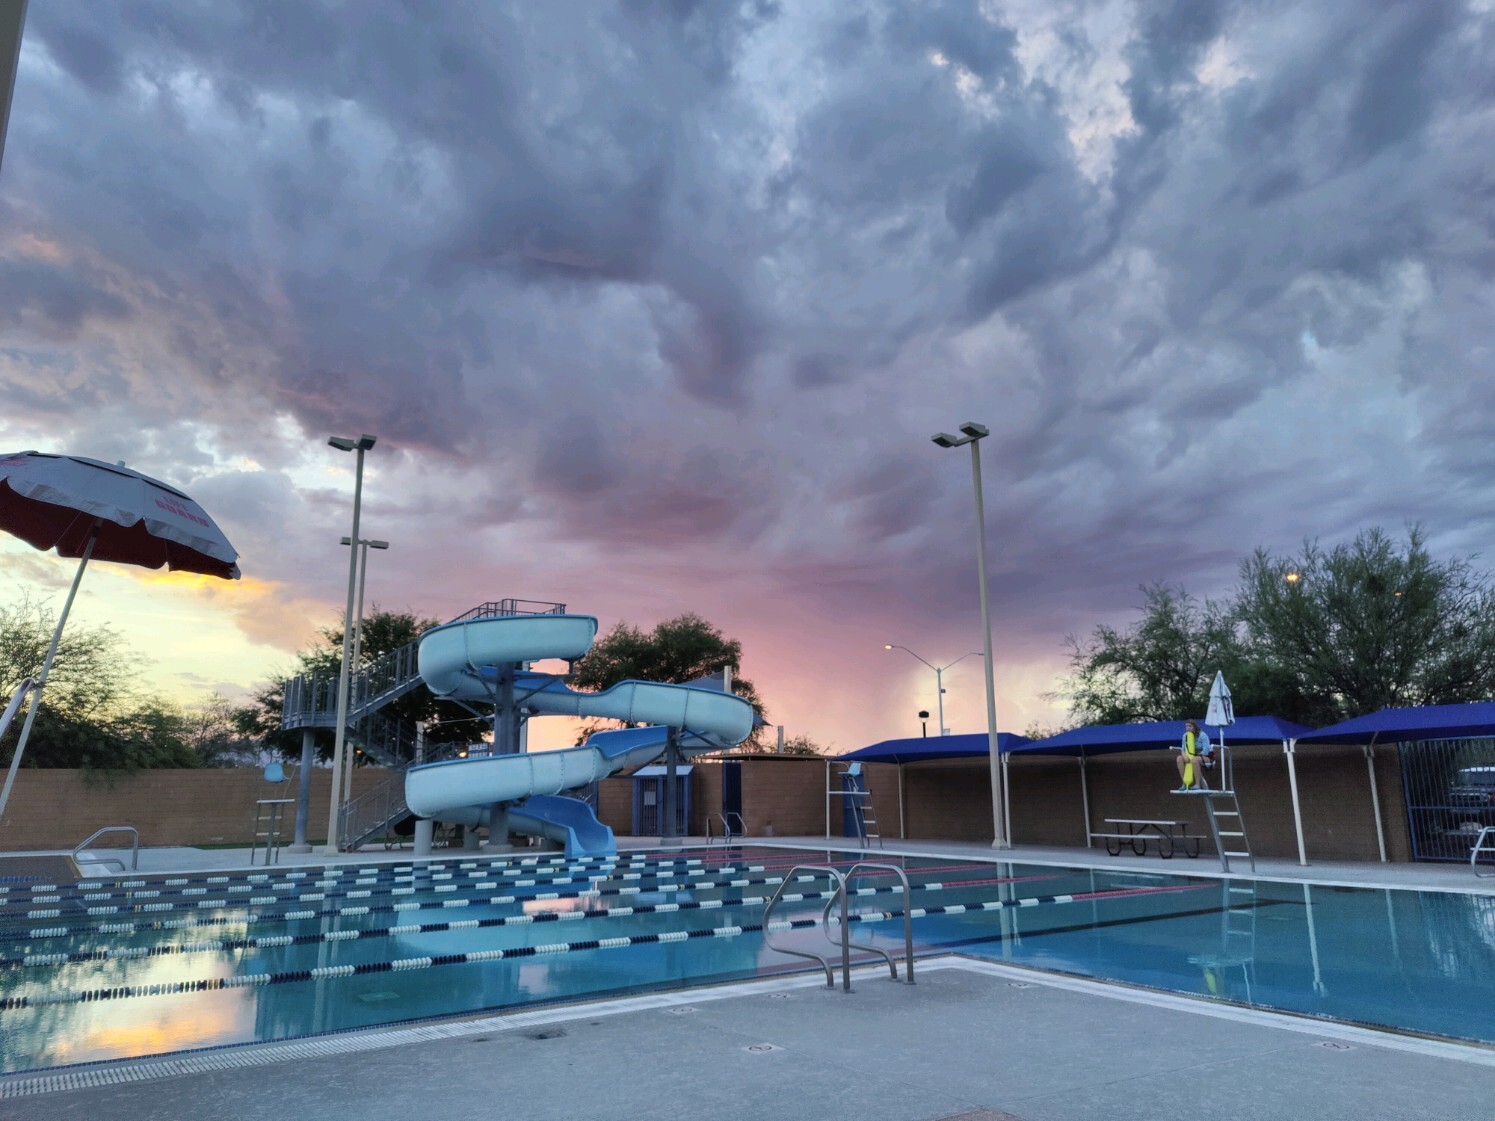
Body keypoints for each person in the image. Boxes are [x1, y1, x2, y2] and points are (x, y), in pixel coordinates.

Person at [1175, 719, 1213, 791]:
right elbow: (1183, 749)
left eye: (1190, 726)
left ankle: (1197, 784)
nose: (1188, 728)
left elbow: (1206, 751)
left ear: (1194, 727)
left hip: (1205, 757)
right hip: (1190, 756)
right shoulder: (1185, 736)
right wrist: (1185, 756)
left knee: (1194, 760)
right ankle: (1185, 782)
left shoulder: (1202, 735)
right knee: (1179, 758)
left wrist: (1193, 755)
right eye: (1186, 726)